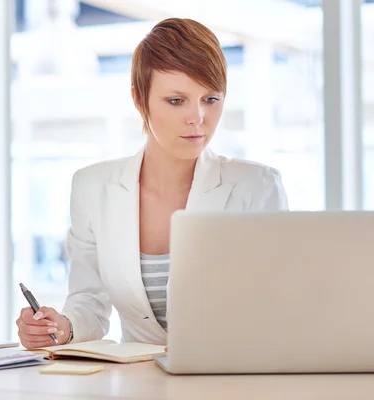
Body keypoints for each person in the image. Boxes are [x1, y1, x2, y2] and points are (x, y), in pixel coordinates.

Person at [16, 18, 289, 349]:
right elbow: (88, 303)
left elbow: (276, 308)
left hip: (228, 381)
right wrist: (61, 327)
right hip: (136, 382)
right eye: (176, 100)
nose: (197, 118)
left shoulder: (257, 187)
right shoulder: (92, 187)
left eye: (211, 99)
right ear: (139, 99)